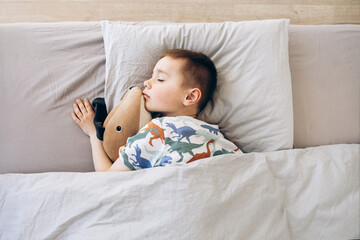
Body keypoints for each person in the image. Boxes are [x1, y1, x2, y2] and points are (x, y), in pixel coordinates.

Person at [72, 49, 240, 172]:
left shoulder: (157, 130)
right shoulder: (218, 136)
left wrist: (94, 134)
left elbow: (108, 180)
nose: (147, 82)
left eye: (160, 79)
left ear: (190, 97)